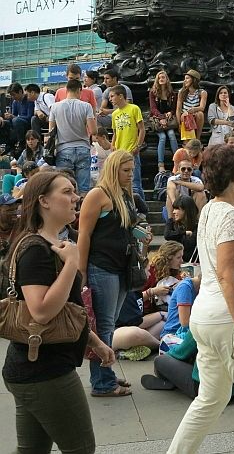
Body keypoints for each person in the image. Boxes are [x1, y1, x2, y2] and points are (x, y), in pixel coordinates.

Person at [167, 144, 234, 452]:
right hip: (227, 320)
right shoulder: (230, 215)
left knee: (210, 399)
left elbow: (223, 271)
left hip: (207, 316)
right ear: (232, 174)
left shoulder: (212, 209)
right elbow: (227, 274)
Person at [1, 171, 114, 453]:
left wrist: (94, 341)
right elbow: (40, 311)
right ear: (44, 201)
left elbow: (66, 307)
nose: (76, 197)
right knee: (81, 449)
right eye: (67, 192)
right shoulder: (36, 249)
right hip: (46, 372)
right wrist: (72, 264)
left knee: (32, 450)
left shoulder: (47, 244)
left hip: (32, 367)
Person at [77, 150, 148, 396]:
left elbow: (126, 228)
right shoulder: (98, 194)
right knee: (104, 326)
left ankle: (106, 375)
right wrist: (82, 270)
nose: (130, 175)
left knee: (109, 324)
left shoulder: (125, 194)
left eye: (131, 170)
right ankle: (102, 382)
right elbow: (84, 234)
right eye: (125, 170)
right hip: (102, 266)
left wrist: (141, 234)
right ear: (113, 169)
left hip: (121, 267)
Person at [49, 78, 96, 195]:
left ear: (66, 90)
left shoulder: (55, 107)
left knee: (64, 188)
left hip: (63, 149)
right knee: (84, 189)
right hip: (83, 148)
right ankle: (83, 212)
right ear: (79, 90)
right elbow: (93, 130)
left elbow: (51, 131)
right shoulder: (86, 106)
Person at [109, 84, 146, 200]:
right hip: (119, 152)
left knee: (135, 182)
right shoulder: (114, 114)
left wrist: (138, 146)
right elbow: (115, 132)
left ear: (121, 96)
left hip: (131, 151)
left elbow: (141, 129)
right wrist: (112, 146)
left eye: (112, 96)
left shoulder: (134, 108)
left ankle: (141, 210)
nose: (110, 99)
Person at [148, 70, 180, 171]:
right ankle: (160, 164)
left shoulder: (172, 93)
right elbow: (153, 108)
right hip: (157, 119)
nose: (161, 79)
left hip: (168, 120)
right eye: (159, 78)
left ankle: (177, 162)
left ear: (166, 79)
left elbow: (174, 108)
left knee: (171, 134)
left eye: (163, 77)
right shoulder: (153, 93)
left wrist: (171, 112)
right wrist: (161, 118)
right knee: (162, 137)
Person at [165, 195, 200, 262]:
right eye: (174, 209)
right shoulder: (171, 222)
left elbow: (191, 244)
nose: (173, 212)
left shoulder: (197, 226)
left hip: (192, 263)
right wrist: (184, 233)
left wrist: (178, 236)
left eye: (177, 209)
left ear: (186, 210)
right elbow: (167, 235)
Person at [176, 69, 208, 141]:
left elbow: (202, 107)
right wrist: (179, 124)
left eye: (187, 78)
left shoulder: (202, 92)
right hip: (185, 116)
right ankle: (188, 141)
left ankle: (197, 139)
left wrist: (193, 109)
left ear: (194, 80)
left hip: (195, 114)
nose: (185, 81)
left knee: (200, 114)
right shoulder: (181, 92)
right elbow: (178, 109)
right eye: (185, 79)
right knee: (187, 116)